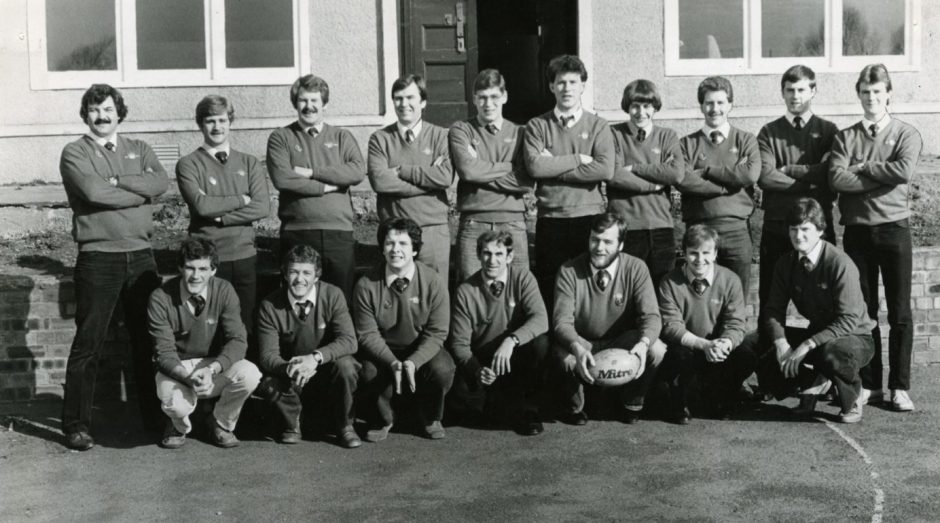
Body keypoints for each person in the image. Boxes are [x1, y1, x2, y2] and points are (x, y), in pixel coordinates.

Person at [59, 83, 169, 450]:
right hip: (98, 257)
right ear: (85, 114)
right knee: (89, 343)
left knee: (149, 340)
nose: (101, 116)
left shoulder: (139, 149)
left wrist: (119, 181)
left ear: (119, 112)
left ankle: (156, 419)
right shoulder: (75, 153)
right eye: (94, 110)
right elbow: (93, 193)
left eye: (107, 109)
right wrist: (139, 194)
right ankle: (76, 424)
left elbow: (161, 182)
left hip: (141, 256)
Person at [829, 63, 922, 412]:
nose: (871, 99)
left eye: (878, 92)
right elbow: (837, 180)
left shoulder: (906, 133)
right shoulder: (844, 137)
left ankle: (899, 386)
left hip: (894, 229)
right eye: (866, 93)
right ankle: (870, 384)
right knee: (863, 310)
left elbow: (904, 171)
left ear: (888, 94)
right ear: (859, 94)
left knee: (899, 311)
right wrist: (882, 178)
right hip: (857, 231)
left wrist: (865, 168)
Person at [747, 198, 875, 423]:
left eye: (805, 229)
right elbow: (773, 310)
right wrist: (781, 344)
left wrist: (807, 344)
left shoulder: (839, 263)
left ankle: (852, 395)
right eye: (793, 229)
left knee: (832, 353)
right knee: (754, 343)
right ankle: (812, 381)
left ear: (820, 230)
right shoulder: (785, 263)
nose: (798, 236)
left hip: (854, 337)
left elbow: (849, 320)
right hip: (818, 334)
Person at [551, 213, 665, 425]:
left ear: (620, 245)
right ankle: (576, 407)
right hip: (583, 342)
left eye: (607, 242)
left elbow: (651, 315)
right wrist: (576, 346)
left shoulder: (636, 267)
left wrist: (643, 343)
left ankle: (631, 403)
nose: (599, 247)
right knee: (564, 356)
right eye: (595, 239)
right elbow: (561, 322)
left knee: (656, 348)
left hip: (619, 341)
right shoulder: (568, 270)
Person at [147, 239, 262, 448]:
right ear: (181, 268)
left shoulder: (224, 290)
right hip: (178, 368)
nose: (196, 275)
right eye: (190, 268)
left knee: (250, 373)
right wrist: (189, 378)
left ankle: (220, 422)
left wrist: (212, 369)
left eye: (203, 268)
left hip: (211, 366)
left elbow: (238, 340)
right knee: (176, 406)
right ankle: (177, 425)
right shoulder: (160, 297)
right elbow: (163, 352)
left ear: (213, 270)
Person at [523, 54, 614, 305]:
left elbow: (605, 170)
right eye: (561, 82)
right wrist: (578, 159)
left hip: (588, 217)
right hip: (551, 218)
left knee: (589, 287)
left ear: (583, 85)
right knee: (551, 287)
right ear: (551, 86)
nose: (567, 88)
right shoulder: (537, 126)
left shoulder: (598, 126)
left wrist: (553, 164)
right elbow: (535, 167)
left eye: (573, 82)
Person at [353, 218, 455, 441]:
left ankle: (430, 417)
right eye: (389, 243)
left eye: (403, 244)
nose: (395, 250)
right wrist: (392, 361)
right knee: (367, 370)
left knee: (443, 368)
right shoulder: (366, 285)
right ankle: (382, 419)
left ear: (415, 250)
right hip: (384, 348)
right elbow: (367, 334)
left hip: (420, 347)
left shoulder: (433, 281)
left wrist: (414, 361)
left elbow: (437, 332)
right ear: (382, 248)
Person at [177, 95, 270, 337]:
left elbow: (262, 207)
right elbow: (202, 206)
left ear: (230, 122)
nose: (217, 127)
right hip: (207, 258)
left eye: (222, 120)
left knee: (244, 324)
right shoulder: (188, 164)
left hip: (243, 255)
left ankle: (244, 375)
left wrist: (223, 218)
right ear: (200, 124)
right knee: (209, 326)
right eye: (210, 121)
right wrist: (241, 199)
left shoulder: (250, 163)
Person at [266, 74, 365, 301]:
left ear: (324, 104)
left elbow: (357, 171)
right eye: (303, 101)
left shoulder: (342, 137)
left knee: (340, 299)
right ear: (295, 103)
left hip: (338, 233)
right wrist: (329, 187)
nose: (309, 107)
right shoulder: (281, 137)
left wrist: (311, 173)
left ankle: (341, 338)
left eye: (314, 101)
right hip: (298, 231)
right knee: (298, 297)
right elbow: (283, 179)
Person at [256, 245, 361, 448]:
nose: (299, 279)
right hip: (292, 376)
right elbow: (268, 356)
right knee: (268, 381)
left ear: (317, 276)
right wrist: (291, 367)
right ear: (285, 274)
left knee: (347, 366)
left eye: (306, 273)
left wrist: (315, 358)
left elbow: (349, 340)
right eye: (294, 272)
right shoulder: (269, 306)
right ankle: (292, 423)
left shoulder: (332, 295)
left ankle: (345, 426)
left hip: (323, 370)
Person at [449, 231, 549, 435]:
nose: (492, 260)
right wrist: (477, 370)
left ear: (509, 256)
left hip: (514, 355)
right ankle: (492, 399)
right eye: (486, 253)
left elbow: (541, 319)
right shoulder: (466, 291)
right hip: (485, 361)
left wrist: (512, 341)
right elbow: (459, 344)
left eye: (498, 254)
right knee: (468, 411)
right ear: (478, 255)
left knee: (541, 344)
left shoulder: (522, 278)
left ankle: (530, 409)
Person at [757, 65, 838, 309]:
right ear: (782, 93)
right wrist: (812, 183)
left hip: (817, 227)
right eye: (789, 90)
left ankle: (824, 348)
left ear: (813, 91)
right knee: (771, 298)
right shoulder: (769, 132)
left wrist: (789, 170)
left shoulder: (829, 131)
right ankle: (771, 347)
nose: (795, 96)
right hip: (778, 226)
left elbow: (829, 174)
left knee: (826, 297)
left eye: (802, 89)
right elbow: (765, 177)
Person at [657, 225, 753, 424]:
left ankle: (720, 395)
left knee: (746, 355)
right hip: (688, 347)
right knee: (676, 355)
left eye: (706, 253)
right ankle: (679, 402)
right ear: (684, 253)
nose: (700, 260)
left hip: (716, 348)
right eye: (693, 253)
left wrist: (724, 343)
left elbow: (735, 321)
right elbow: (671, 326)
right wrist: (703, 345)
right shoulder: (669, 282)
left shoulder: (730, 279)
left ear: (716, 253)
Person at [678, 76, 760, 299]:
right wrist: (728, 184)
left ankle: (735, 335)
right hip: (699, 230)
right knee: (699, 295)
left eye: (721, 103)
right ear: (702, 106)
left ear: (730, 105)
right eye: (709, 103)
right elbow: (683, 179)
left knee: (737, 295)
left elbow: (749, 174)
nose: (715, 109)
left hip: (736, 231)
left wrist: (706, 171)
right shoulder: (686, 144)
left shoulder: (746, 140)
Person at [367, 75, 454, 283]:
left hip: (432, 230)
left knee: (436, 294)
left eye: (410, 97)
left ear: (423, 102)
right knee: (399, 295)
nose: (404, 104)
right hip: (395, 234)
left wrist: (401, 171)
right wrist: (428, 182)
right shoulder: (380, 139)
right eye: (398, 98)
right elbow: (380, 181)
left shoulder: (441, 136)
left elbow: (444, 177)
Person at [450, 69, 533, 282]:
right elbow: (468, 171)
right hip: (474, 221)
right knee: (470, 287)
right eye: (482, 97)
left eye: (494, 96)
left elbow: (525, 180)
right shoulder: (462, 130)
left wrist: (481, 168)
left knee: (517, 285)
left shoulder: (520, 133)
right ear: (474, 99)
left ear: (504, 97)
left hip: (512, 221)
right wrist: (508, 166)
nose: (488, 104)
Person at [608, 79, 684, 286]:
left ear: (655, 107)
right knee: (627, 289)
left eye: (646, 106)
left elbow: (676, 174)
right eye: (635, 106)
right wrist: (654, 184)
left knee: (663, 288)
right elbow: (613, 174)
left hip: (660, 225)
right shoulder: (613, 134)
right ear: (627, 107)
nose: (641, 112)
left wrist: (634, 168)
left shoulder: (667, 136)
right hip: (626, 226)